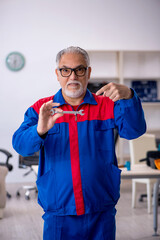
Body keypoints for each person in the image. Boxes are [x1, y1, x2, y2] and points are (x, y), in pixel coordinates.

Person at [12, 46, 146, 240]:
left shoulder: (107, 105)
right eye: (65, 70)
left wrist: (129, 96)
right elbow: (20, 145)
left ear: (88, 72)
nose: (72, 76)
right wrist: (40, 129)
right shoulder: (42, 108)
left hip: (100, 208)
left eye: (79, 69)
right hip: (59, 210)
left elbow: (134, 131)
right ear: (58, 74)